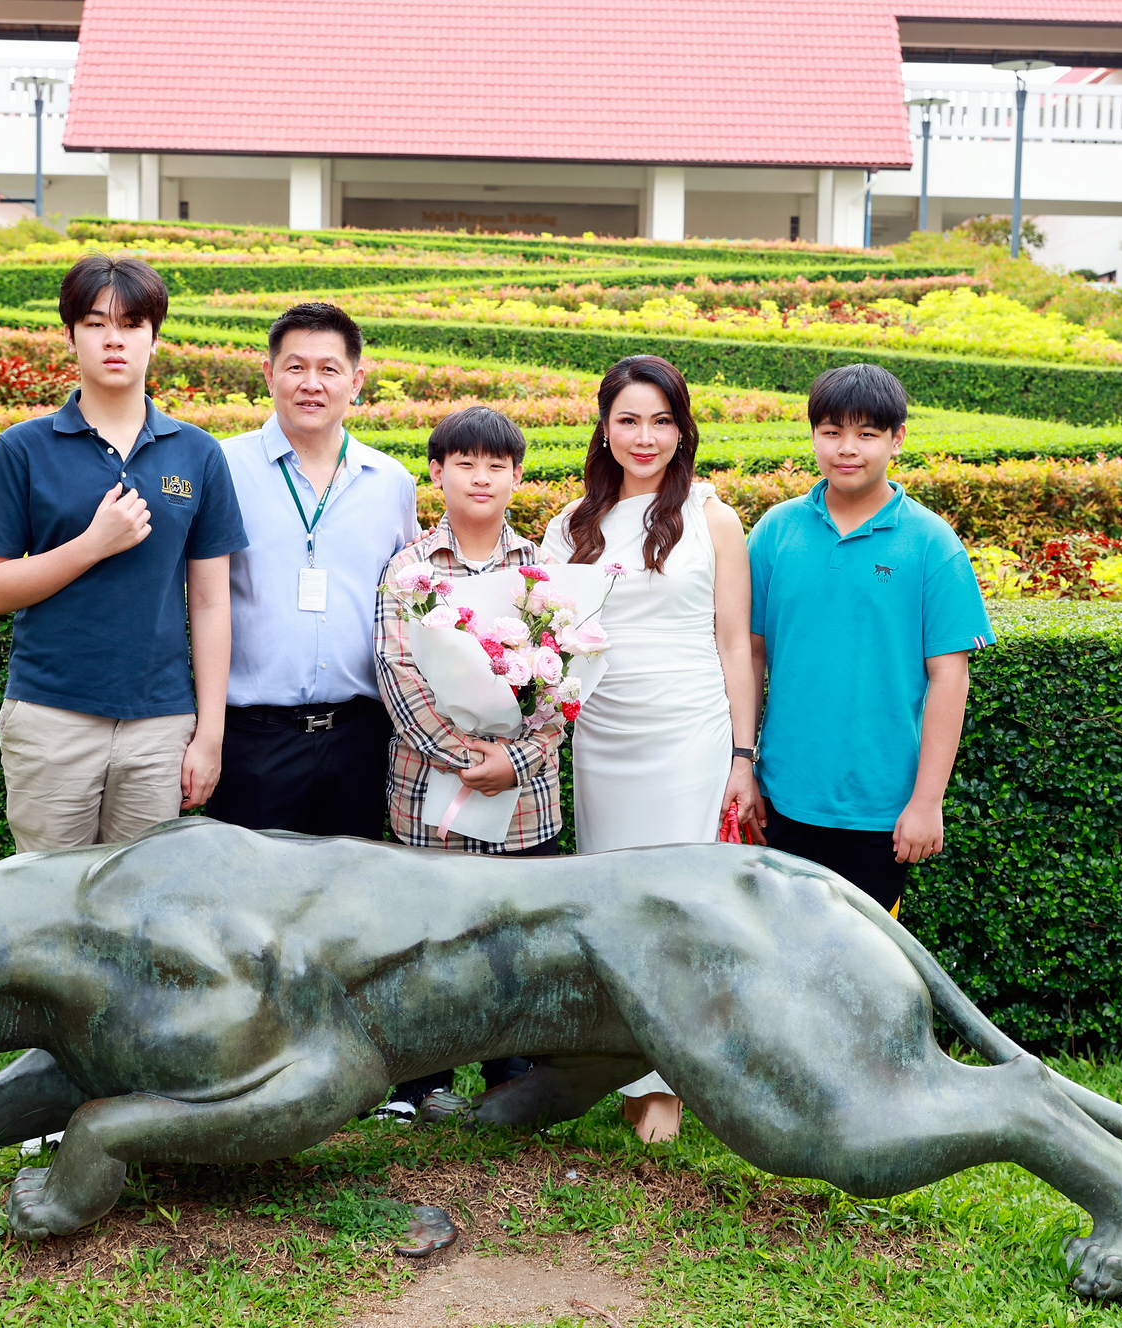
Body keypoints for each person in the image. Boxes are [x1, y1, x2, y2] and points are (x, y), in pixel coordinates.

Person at [540, 354, 763, 1143]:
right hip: (602, 738)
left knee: (681, 910)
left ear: (683, 429)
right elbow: (549, 645)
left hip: (688, 735)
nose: (645, 437)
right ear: (604, 427)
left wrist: (743, 755)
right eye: (629, 419)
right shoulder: (568, 526)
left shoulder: (713, 517)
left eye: (662, 421)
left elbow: (735, 643)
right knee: (617, 908)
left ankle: (671, 1085)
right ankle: (626, 1068)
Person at [0, 255, 246, 853]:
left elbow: (214, 604)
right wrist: (91, 546)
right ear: (70, 336)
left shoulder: (197, 452)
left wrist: (209, 734)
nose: (113, 339)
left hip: (161, 725)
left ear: (154, 337)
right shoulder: (23, 448)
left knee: (140, 911)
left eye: (132, 324)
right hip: (51, 717)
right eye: (95, 324)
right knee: (47, 908)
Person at [367, 405, 559, 1123]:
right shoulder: (411, 568)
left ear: (516, 475)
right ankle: (421, 1083)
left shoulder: (540, 567)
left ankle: (511, 1079)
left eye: (497, 465)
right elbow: (398, 674)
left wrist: (516, 760)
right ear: (437, 471)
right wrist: (461, 757)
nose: (482, 477)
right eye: (465, 463)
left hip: (524, 798)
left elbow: (563, 684)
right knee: (428, 935)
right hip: (430, 786)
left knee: (517, 935)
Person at [747, 363, 994, 919]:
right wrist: (744, 767)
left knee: (862, 973)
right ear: (813, 435)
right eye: (831, 431)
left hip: (879, 812)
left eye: (866, 433)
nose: (846, 448)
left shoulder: (932, 542)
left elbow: (949, 676)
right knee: (780, 959)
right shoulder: (775, 532)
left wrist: (927, 803)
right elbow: (750, 655)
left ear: (897, 439)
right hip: (781, 797)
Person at [211, 303, 418, 836]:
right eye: (295, 367)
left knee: (349, 906)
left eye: (329, 369)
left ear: (356, 381)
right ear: (269, 374)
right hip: (253, 740)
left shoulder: (391, 482)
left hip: (361, 739)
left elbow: (413, 609)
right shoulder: (222, 468)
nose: (311, 384)